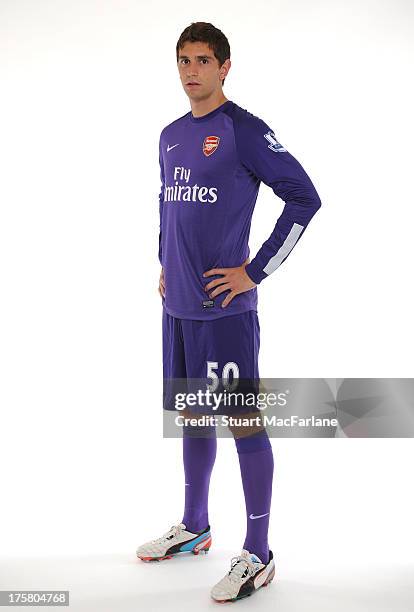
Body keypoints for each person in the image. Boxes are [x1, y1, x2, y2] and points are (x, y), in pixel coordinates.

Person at [136, 21, 322, 602]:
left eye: (202, 60)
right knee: (191, 417)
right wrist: (164, 260)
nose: (191, 70)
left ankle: (260, 554)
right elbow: (170, 204)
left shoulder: (242, 130)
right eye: (183, 60)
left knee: (243, 422)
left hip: (226, 310)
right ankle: (194, 527)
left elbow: (304, 197)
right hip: (181, 309)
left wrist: (255, 270)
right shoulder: (168, 135)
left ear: (224, 67)